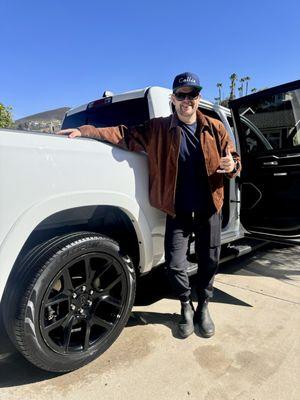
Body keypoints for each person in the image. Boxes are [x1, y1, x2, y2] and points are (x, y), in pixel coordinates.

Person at [57, 72, 241, 339]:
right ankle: (185, 305)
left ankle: (203, 306)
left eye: (192, 94)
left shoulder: (215, 127)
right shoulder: (158, 129)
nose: (187, 100)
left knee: (209, 260)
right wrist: (86, 130)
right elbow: (124, 134)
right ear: (173, 98)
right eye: (181, 95)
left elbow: (234, 158)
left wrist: (232, 165)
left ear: (198, 98)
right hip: (176, 209)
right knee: (176, 264)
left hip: (209, 207)